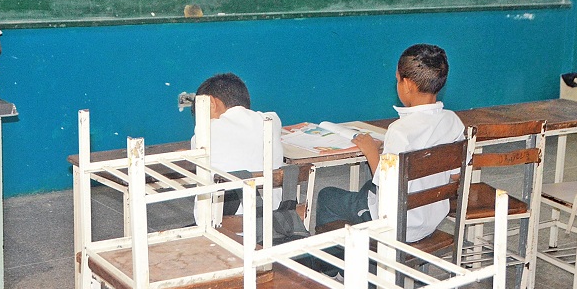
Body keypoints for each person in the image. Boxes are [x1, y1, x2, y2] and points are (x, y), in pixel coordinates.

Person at [315, 43, 465, 242]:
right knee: (366, 188)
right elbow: (456, 176)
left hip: (396, 224)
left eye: (397, 80)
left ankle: (338, 268)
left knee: (327, 196)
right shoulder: (453, 121)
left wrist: (371, 152)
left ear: (408, 84)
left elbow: (388, 188)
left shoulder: (399, 131)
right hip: (431, 219)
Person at [191, 72, 284, 215]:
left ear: (211, 103)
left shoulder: (205, 132)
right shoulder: (273, 120)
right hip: (274, 218)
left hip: (226, 225)